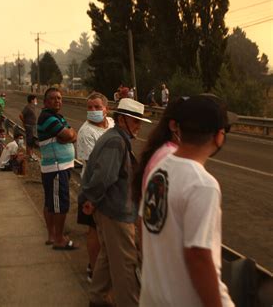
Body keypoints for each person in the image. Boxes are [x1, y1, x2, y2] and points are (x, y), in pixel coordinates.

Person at [139, 95, 235, 307]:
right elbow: (198, 256)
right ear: (219, 136)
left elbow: (142, 225)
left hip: (153, 298)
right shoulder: (202, 184)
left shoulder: (158, 169)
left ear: (179, 128)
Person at [80, 98, 151, 307]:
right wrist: (91, 199)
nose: (138, 126)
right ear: (121, 120)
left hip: (110, 210)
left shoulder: (115, 138)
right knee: (126, 265)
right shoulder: (116, 141)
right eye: (134, 121)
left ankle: (98, 299)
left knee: (107, 258)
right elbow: (104, 177)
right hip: (116, 212)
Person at [76, 92, 115, 283]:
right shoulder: (86, 132)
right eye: (89, 107)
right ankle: (93, 268)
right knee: (93, 230)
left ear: (106, 109)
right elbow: (93, 165)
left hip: (113, 183)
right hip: (92, 186)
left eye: (97, 107)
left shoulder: (113, 124)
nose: (92, 111)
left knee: (107, 230)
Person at [37, 87, 77, 250]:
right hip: (56, 168)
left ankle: (52, 236)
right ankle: (59, 239)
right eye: (53, 98)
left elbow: (72, 134)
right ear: (45, 102)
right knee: (59, 203)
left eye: (59, 98)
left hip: (59, 167)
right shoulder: (47, 117)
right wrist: (68, 135)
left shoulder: (57, 117)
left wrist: (68, 135)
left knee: (51, 202)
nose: (57, 101)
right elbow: (68, 135)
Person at [19, 94, 39, 162]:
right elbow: (21, 115)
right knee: (29, 141)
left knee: (32, 141)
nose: (36, 101)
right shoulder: (28, 107)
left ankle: (31, 155)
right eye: (35, 99)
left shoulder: (33, 107)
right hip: (29, 126)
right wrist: (24, 122)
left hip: (33, 126)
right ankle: (29, 156)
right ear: (32, 100)